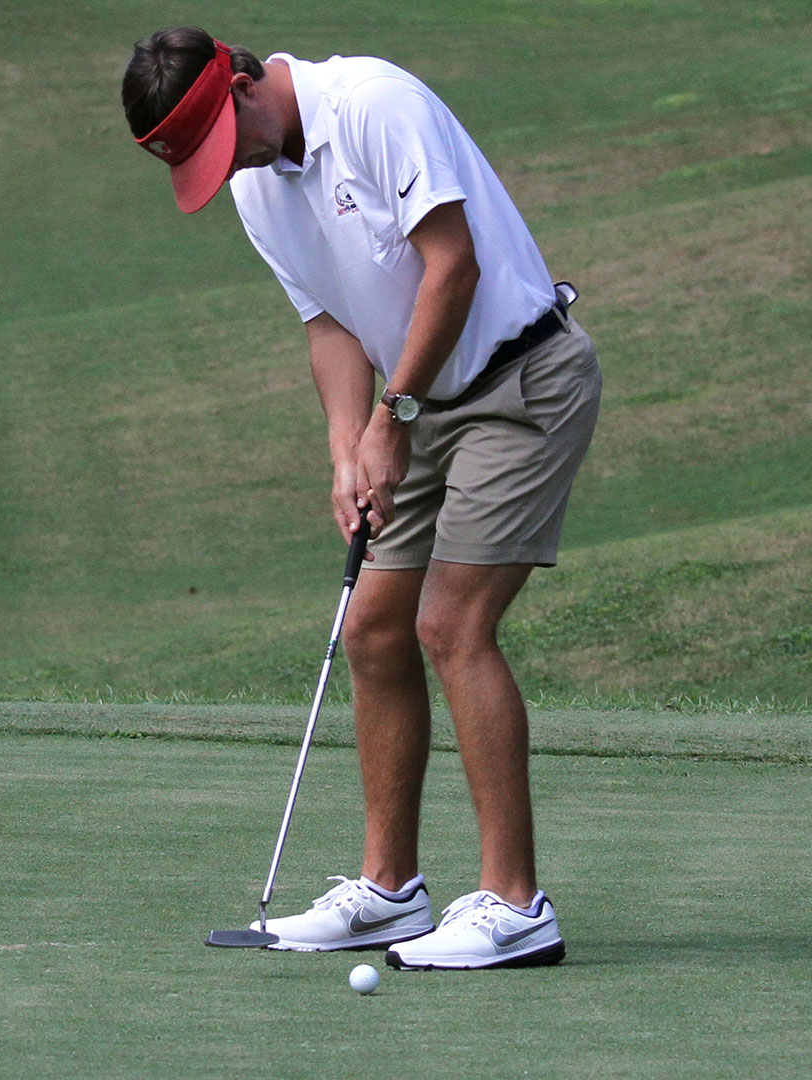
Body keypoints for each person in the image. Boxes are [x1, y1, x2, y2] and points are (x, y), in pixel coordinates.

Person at [121, 27, 600, 969]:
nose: (233, 171)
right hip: (412, 403)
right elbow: (330, 324)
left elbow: (451, 266)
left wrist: (393, 417)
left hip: (520, 381)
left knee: (451, 624)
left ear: (247, 81)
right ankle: (390, 893)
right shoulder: (257, 183)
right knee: (373, 626)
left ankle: (516, 903)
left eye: (227, 143)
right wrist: (348, 447)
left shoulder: (375, 104)